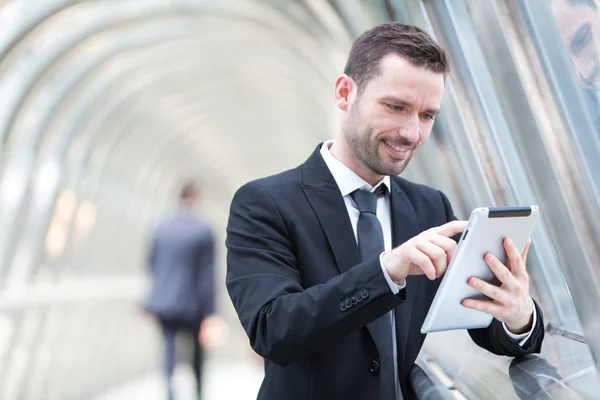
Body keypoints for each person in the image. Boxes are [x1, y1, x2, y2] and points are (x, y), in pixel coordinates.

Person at [225, 22, 545, 400]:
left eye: (427, 116)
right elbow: (272, 330)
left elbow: (481, 320)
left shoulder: (429, 206)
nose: (411, 132)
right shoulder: (265, 203)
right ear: (345, 93)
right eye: (396, 107)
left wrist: (519, 315)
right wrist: (386, 271)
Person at [143, 182, 216, 400]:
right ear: (197, 198)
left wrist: (151, 299)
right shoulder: (203, 230)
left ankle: (169, 392)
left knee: (168, 348)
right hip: (193, 303)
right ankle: (198, 392)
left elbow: (152, 263)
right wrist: (211, 312)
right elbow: (207, 274)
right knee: (196, 353)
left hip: (164, 301)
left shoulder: (160, 226)